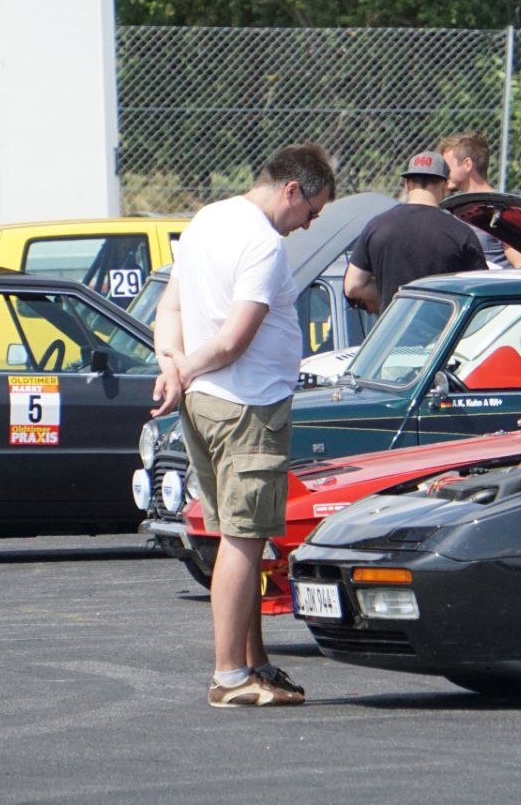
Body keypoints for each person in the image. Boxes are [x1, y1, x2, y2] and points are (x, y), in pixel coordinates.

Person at [150, 143, 335, 708]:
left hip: (206, 404)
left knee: (243, 538)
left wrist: (171, 365)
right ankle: (230, 676)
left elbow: (170, 308)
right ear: (291, 190)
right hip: (246, 406)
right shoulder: (263, 244)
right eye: (312, 211)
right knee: (243, 539)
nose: (309, 224)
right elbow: (234, 340)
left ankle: (255, 664)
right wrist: (183, 368)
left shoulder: (207, 219)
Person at [345, 151, 488, 313]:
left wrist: (396, 300)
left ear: (407, 184)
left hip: (394, 327)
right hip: (444, 328)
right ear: (444, 185)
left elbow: (353, 286)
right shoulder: (461, 233)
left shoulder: (377, 226)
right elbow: (481, 291)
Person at [437, 130, 521, 268]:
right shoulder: (453, 210)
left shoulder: (501, 211)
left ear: (467, 165)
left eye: (447, 167)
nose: (444, 173)